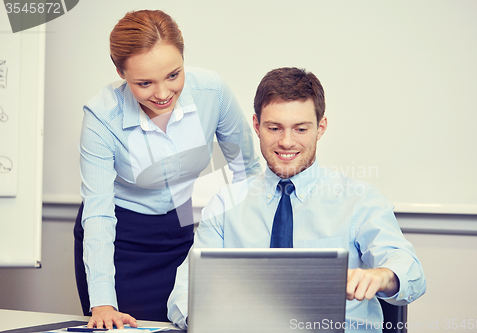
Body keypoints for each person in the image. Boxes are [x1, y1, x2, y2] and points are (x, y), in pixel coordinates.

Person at [167, 67, 426, 332]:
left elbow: (411, 273)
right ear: (257, 126)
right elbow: (184, 293)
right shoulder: (225, 203)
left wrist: (382, 276)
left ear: (320, 127)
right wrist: (206, 321)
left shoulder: (359, 199)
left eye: (301, 128)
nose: (286, 142)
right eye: (274, 128)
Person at [74, 9, 260, 329]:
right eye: (144, 83)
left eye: (173, 75)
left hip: (180, 233)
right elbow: (99, 213)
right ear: (120, 71)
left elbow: (248, 171)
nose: (162, 94)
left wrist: (256, 251)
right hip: (120, 240)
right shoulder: (101, 116)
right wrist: (103, 302)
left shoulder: (212, 92)